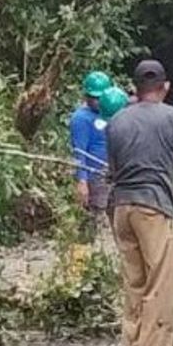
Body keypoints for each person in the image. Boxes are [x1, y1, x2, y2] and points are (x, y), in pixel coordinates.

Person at [106, 59, 173, 346]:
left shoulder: (116, 122)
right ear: (165, 87)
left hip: (122, 208)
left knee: (133, 280)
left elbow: (115, 169)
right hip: (155, 206)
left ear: (135, 88)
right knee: (162, 281)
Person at [69, 70, 114, 241]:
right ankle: (85, 249)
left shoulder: (111, 112)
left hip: (112, 172)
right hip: (95, 174)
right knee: (94, 216)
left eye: (100, 98)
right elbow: (79, 151)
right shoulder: (81, 118)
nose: (96, 101)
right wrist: (82, 181)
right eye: (93, 97)